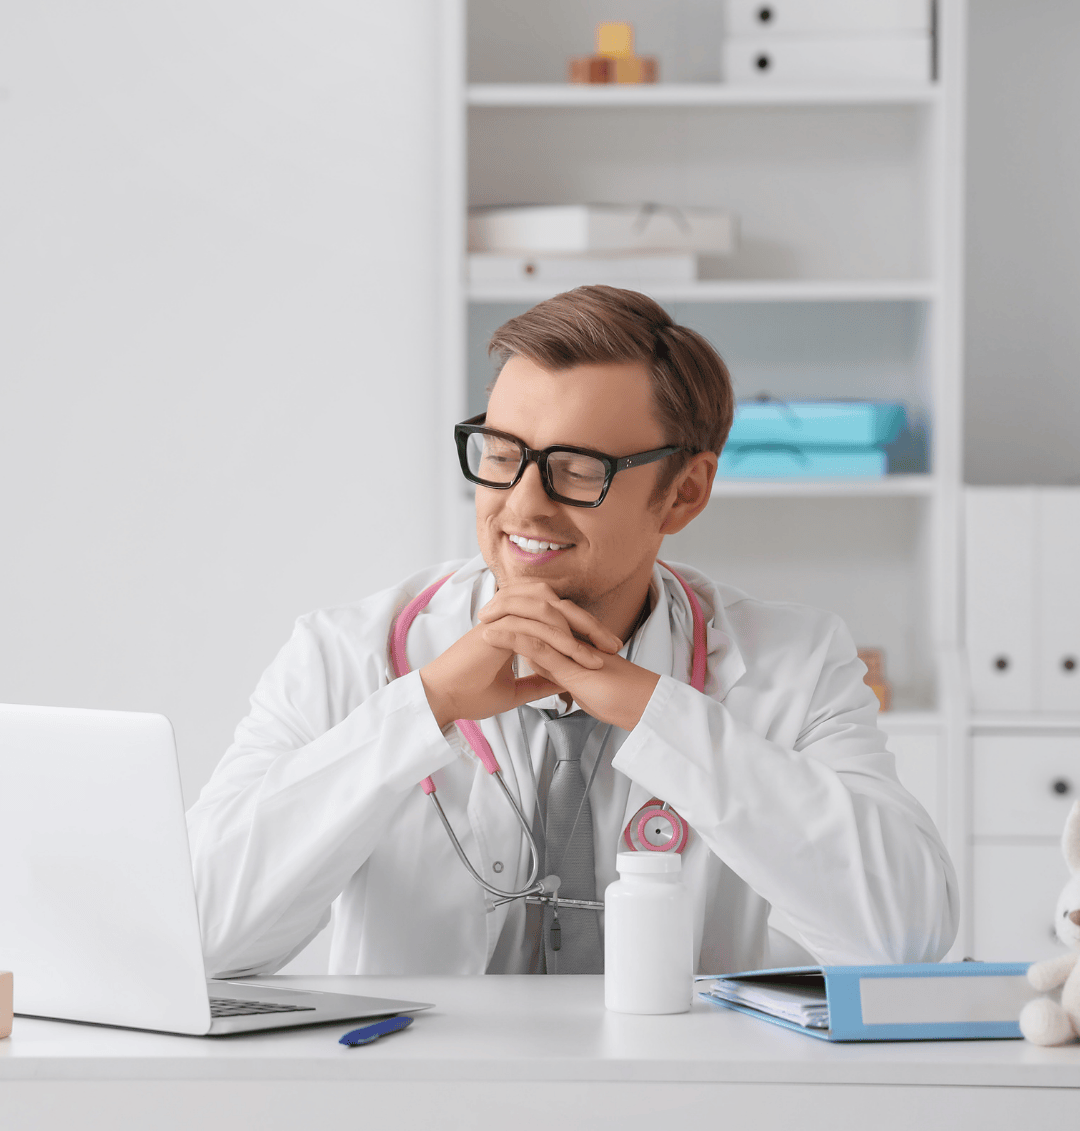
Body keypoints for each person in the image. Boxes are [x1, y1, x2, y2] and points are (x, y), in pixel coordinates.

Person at [188, 285, 958, 977]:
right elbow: (198, 937)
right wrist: (426, 706)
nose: (522, 506)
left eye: (578, 468)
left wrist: (654, 711)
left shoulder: (792, 663)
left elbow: (905, 936)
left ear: (683, 494)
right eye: (501, 453)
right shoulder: (343, 656)